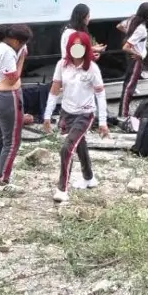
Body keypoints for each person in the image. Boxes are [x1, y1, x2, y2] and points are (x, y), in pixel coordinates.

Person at [41, 32, 110, 203]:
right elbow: (54, 90)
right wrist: (47, 115)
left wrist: (103, 122)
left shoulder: (92, 69)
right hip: (66, 113)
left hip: (85, 114)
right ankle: (89, 177)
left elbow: (100, 95)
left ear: (86, 48)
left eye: (80, 46)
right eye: (73, 45)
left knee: (67, 148)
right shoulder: (61, 65)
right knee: (79, 144)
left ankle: (62, 189)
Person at [0, 23, 34, 191]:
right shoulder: (6, 51)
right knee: (12, 141)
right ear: (13, 39)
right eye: (20, 43)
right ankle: (3, 180)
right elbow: (12, 78)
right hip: (7, 96)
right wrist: (21, 59)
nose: (20, 46)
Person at [116, 2, 148, 117]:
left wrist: (129, 33)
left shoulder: (132, 19)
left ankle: (123, 112)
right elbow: (126, 47)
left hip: (130, 59)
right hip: (135, 59)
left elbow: (119, 26)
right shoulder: (141, 29)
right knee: (129, 87)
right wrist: (137, 53)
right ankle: (123, 114)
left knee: (128, 85)